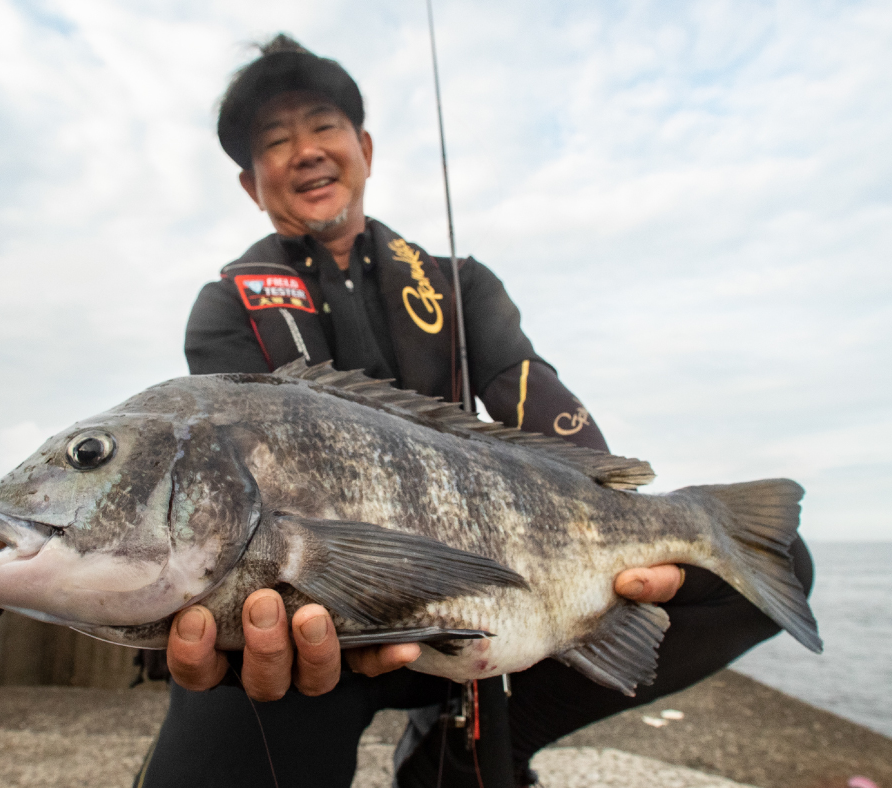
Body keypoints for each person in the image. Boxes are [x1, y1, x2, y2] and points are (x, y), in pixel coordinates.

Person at [136, 34, 812, 788]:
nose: (305, 151)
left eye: (324, 127)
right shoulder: (228, 307)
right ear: (249, 183)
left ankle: (459, 749)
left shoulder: (460, 287)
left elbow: (535, 396)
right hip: (312, 625)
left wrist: (613, 522)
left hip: (485, 616)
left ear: (362, 146)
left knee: (761, 563)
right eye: (275, 141)